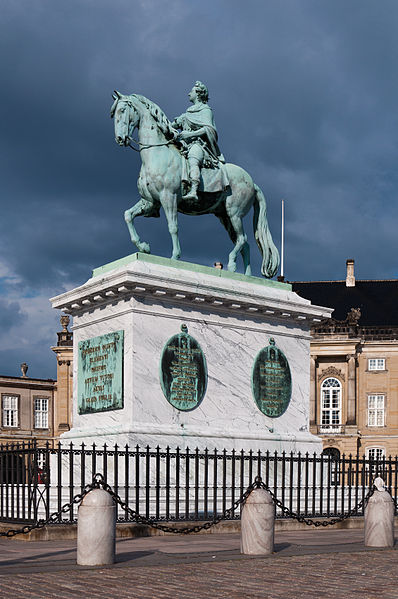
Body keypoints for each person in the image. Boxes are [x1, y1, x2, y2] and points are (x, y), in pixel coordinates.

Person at [172, 81, 225, 201]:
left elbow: (209, 129)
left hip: (199, 144)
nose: (188, 93)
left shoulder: (206, 110)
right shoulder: (188, 112)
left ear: (198, 93)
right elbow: (173, 125)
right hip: (184, 145)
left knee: (193, 157)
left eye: (191, 91)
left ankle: (194, 190)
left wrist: (189, 134)